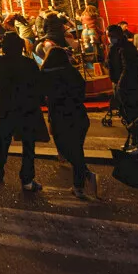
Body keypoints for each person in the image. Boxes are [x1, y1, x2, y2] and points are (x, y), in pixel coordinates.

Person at [0, 33, 45, 191]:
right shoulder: (29, 63)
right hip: (27, 106)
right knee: (28, 144)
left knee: (3, 141)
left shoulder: (1, 61)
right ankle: (27, 179)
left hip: (8, 107)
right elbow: (39, 83)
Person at [42, 48, 96, 199]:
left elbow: (40, 93)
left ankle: (83, 176)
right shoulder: (72, 72)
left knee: (66, 150)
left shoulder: (47, 74)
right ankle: (80, 183)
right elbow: (81, 91)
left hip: (60, 116)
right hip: (79, 114)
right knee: (77, 149)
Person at [107, 25, 138, 155]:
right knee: (129, 116)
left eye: (111, 36)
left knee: (134, 116)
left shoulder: (125, 48)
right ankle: (136, 142)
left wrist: (120, 85)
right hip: (124, 86)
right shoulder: (117, 48)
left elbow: (128, 68)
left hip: (130, 88)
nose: (110, 38)